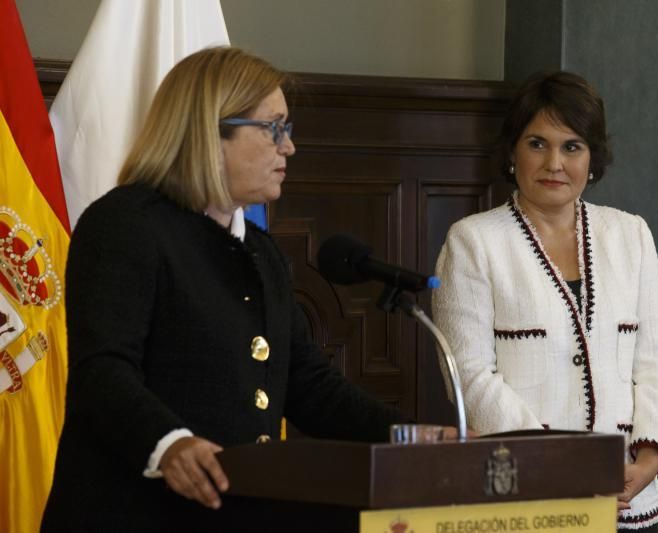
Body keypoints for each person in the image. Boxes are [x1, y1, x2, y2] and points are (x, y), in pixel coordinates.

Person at [41, 46, 406, 532]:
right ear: (209, 130)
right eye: (274, 128)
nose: (289, 147)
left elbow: (309, 386)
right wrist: (169, 443)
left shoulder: (262, 252)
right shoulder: (125, 225)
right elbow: (103, 370)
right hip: (130, 514)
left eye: (288, 129)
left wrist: (411, 440)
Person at [432, 71, 658, 530]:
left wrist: (648, 460)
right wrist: (556, 466)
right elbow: (468, 377)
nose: (554, 163)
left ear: (592, 158)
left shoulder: (631, 235)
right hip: (524, 498)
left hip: (627, 500)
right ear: (511, 152)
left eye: (572, 146)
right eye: (537, 144)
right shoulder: (472, 241)